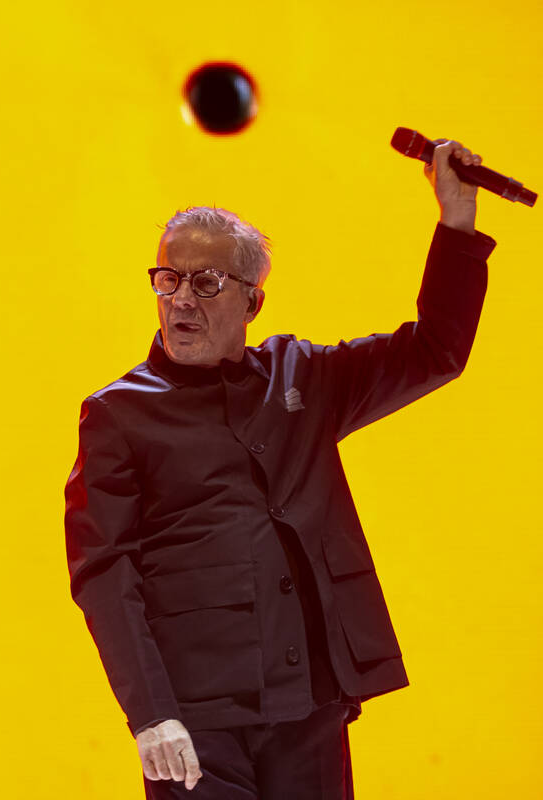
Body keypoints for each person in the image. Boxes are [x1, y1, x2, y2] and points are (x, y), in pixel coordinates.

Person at [64, 139, 497, 799]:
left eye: (205, 283)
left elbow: (436, 349)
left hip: (311, 705)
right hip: (197, 722)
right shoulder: (118, 415)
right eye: (168, 279)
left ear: (252, 302)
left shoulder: (305, 378)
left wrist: (456, 219)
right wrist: (150, 714)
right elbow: (103, 574)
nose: (181, 300)